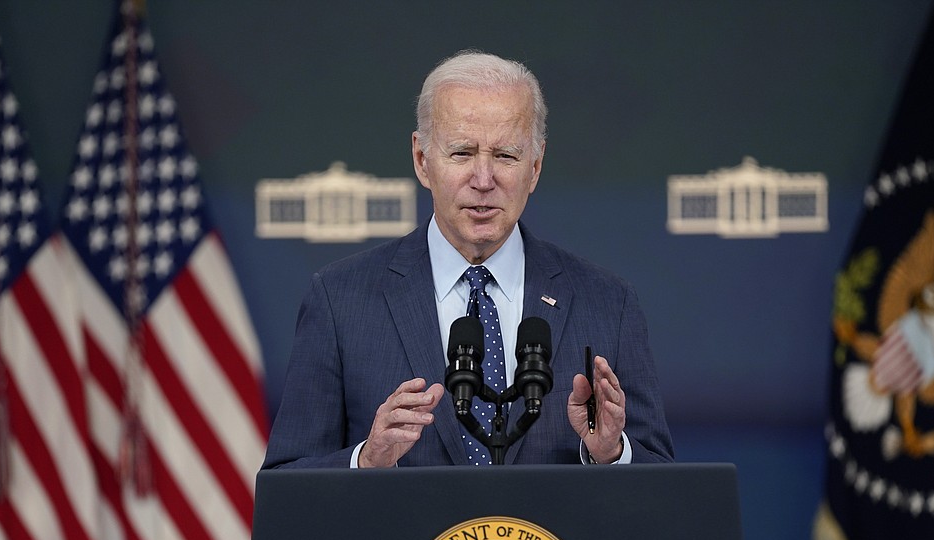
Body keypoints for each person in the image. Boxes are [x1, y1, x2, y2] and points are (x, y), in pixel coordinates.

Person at [262, 50, 673, 469]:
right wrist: (366, 462)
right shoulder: (340, 300)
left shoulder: (606, 304)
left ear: (535, 166)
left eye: (506, 156)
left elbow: (666, 492)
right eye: (461, 153)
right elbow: (286, 485)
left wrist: (611, 452)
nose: (483, 180)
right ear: (422, 160)